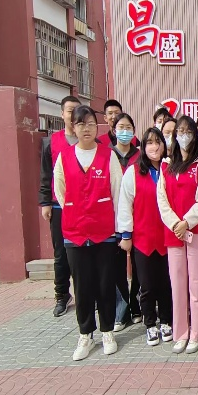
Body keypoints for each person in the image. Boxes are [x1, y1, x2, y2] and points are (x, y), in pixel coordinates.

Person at [53, 105, 121, 361]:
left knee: (105, 283)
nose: (87, 129)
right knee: (82, 286)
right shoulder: (65, 157)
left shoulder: (107, 155)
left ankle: (107, 331)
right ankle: (85, 334)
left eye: (91, 124)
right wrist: (75, 209)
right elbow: (60, 191)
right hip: (75, 231)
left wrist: (118, 227)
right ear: (74, 127)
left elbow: (117, 191)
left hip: (104, 231)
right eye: (81, 124)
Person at [157, 115, 198, 354]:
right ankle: (180, 333)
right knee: (177, 285)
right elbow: (162, 200)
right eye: (180, 131)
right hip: (173, 234)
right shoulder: (166, 166)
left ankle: (196, 333)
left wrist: (187, 222)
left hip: (194, 231)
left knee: (197, 284)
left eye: (188, 131)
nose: (184, 136)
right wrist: (175, 224)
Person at [117, 127, 173, 346]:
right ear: (143, 146)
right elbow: (125, 204)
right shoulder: (133, 172)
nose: (154, 147)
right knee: (147, 285)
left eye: (158, 142)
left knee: (167, 283)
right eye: (150, 142)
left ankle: (166, 320)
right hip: (143, 238)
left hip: (168, 237)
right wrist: (126, 234)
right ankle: (150, 324)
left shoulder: (170, 168)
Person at [38, 95, 80, 317]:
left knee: (84, 251)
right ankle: (62, 294)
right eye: (69, 110)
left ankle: (85, 293)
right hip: (58, 205)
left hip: (83, 206)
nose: (73, 115)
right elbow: (46, 175)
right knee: (60, 253)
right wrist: (45, 202)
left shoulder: (88, 140)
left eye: (77, 111)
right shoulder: (51, 142)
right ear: (62, 114)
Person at [110, 112, 142, 331]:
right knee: (117, 268)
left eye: (128, 127)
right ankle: (121, 311)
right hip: (112, 220)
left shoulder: (140, 156)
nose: (124, 131)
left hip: (137, 220)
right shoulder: (108, 155)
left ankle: (136, 305)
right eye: (120, 127)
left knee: (138, 268)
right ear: (114, 131)